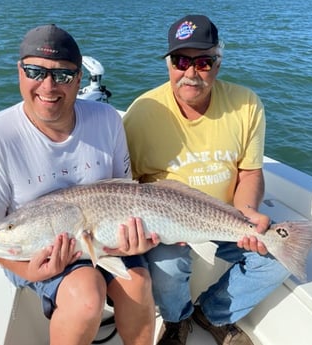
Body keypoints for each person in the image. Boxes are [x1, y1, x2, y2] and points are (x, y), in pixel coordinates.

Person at [0, 24, 158, 345]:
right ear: (19, 72)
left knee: (138, 283)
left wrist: (135, 241)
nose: (48, 86)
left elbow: (125, 193)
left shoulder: (107, 120)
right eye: (35, 71)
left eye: (63, 75)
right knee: (87, 295)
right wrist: (28, 272)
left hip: (105, 238)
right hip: (33, 252)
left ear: (80, 79)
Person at [123, 15, 290, 345]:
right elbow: (129, 184)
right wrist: (157, 227)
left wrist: (247, 213)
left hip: (227, 215)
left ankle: (212, 313)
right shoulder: (142, 112)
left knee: (282, 252)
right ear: (168, 63)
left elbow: (250, 171)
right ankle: (177, 320)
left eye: (203, 62)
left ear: (219, 61)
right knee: (168, 269)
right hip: (165, 221)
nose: (190, 73)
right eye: (181, 60)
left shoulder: (246, 105)